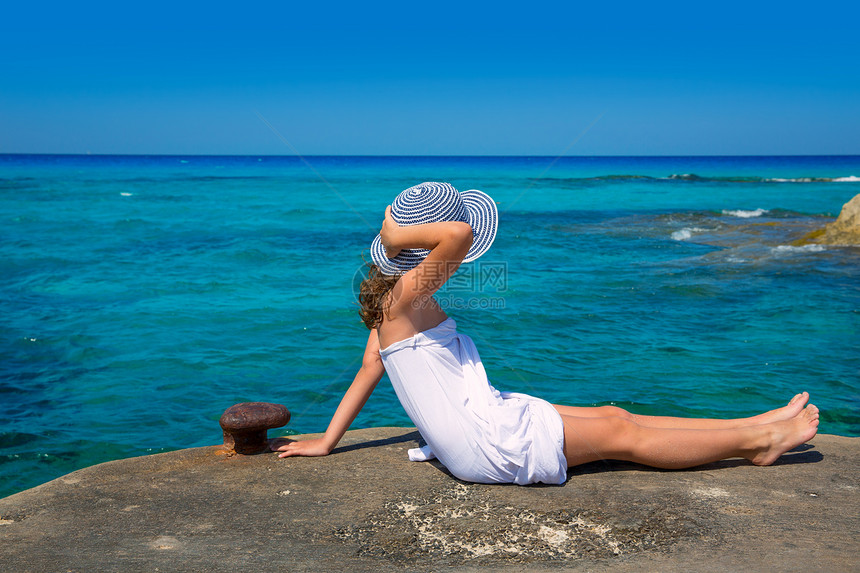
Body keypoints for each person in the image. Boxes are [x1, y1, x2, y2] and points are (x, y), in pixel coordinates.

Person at [271, 182, 820, 485]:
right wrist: (393, 235)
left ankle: (749, 424)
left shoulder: (400, 305)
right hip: (482, 441)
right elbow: (459, 233)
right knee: (622, 436)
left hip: (479, 419)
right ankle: (761, 442)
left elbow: (372, 367)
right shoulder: (402, 299)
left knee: (614, 415)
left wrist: (327, 440)